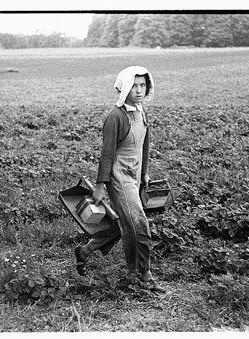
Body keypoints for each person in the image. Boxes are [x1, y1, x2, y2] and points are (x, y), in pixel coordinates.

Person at [74, 66, 165, 292]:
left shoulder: (141, 111)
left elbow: (144, 144)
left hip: (133, 174)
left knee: (123, 224)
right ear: (124, 87)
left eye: (143, 85)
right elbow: (107, 154)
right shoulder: (116, 117)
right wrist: (99, 186)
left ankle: (85, 251)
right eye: (134, 86)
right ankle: (143, 274)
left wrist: (144, 172)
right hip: (118, 175)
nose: (139, 90)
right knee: (138, 223)